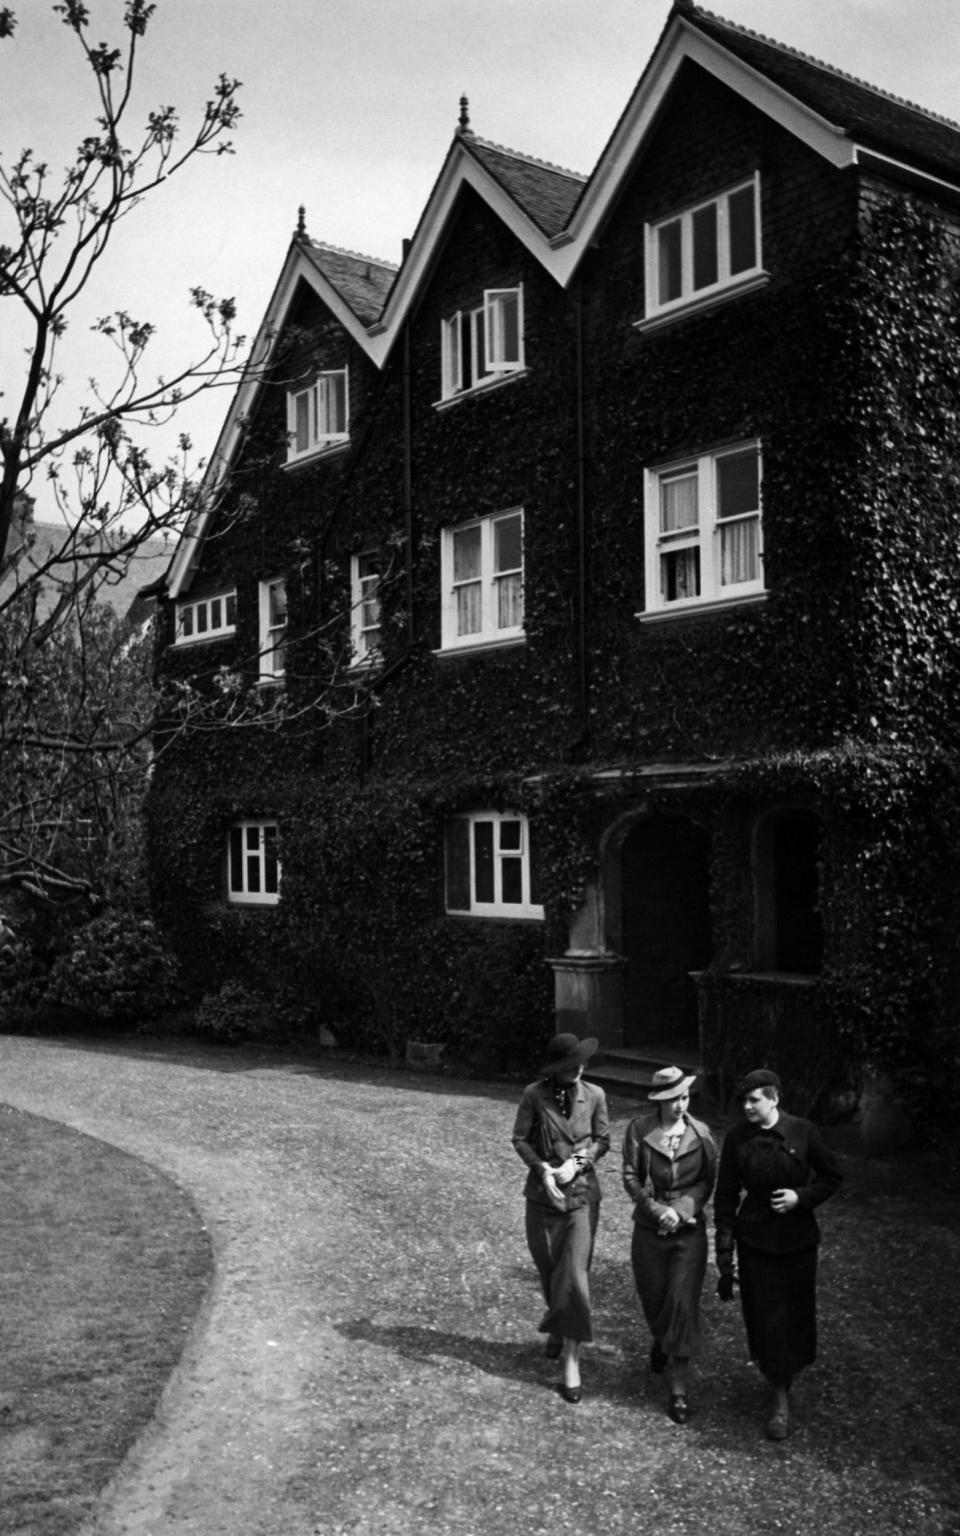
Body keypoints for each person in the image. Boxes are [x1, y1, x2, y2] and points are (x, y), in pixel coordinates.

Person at [714, 1067, 843, 1440]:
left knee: (796, 1316)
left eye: (755, 1100)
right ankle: (779, 1394)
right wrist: (725, 1249)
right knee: (765, 1316)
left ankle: (785, 1377)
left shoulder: (803, 1132)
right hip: (755, 1241)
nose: (747, 1107)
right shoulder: (737, 1139)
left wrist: (801, 1197)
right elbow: (725, 1195)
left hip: (798, 1242)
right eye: (744, 1101)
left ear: (774, 1099)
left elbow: (833, 1176)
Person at [512, 1032, 610, 1403]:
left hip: (582, 1196)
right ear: (555, 1069)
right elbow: (519, 1139)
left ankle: (571, 1357)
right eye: (570, 1065)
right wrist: (543, 1171)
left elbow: (603, 1139)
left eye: (581, 1062)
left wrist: (577, 1164)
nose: (578, 1069)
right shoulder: (534, 1095)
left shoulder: (595, 1095)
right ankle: (558, 1322)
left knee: (574, 1275)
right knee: (550, 1270)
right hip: (543, 1197)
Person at [621, 1065, 717, 1424]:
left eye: (685, 1097)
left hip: (689, 1231)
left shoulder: (702, 1133)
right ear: (660, 1101)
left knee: (681, 1303)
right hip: (649, 1227)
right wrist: (655, 1208)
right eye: (674, 1099)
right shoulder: (639, 1130)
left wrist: (681, 1210)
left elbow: (709, 1181)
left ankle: (678, 1388)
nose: (681, 1105)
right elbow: (630, 1176)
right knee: (655, 1297)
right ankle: (661, 1339)